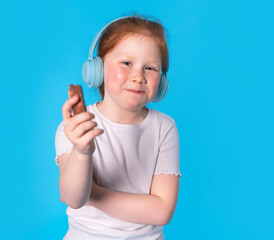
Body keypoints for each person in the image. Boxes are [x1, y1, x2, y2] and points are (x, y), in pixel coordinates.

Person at [54, 14, 181, 240]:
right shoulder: (75, 127)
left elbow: (162, 211)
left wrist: (94, 193)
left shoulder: (164, 128)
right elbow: (74, 198)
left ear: (161, 82)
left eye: (150, 68)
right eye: (127, 63)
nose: (138, 76)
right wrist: (83, 151)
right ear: (98, 69)